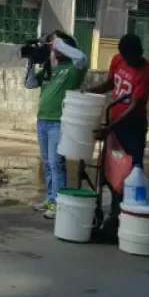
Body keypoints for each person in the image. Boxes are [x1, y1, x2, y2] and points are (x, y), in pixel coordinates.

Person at [86, 33, 149, 217]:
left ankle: (123, 213)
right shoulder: (118, 60)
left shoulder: (148, 72)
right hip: (114, 121)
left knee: (132, 170)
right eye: (127, 57)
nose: (130, 61)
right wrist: (91, 92)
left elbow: (135, 105)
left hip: (133, 126)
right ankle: (108, 209)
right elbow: (110, 83)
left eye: (134, 57)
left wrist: (110, 128)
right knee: (108, 167)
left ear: (140, 52)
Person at [24, 30, 89, 219]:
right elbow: (29, 84)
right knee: (47, 163)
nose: (53, 49)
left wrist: (57, 42)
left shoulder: (74, 67)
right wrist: (30, 61)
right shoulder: (49, 68)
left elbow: (82, 57)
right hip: (42, 120)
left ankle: (58, 202)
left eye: (56, 45)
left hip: (59, 122)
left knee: (56, 163)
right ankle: (50, 198)